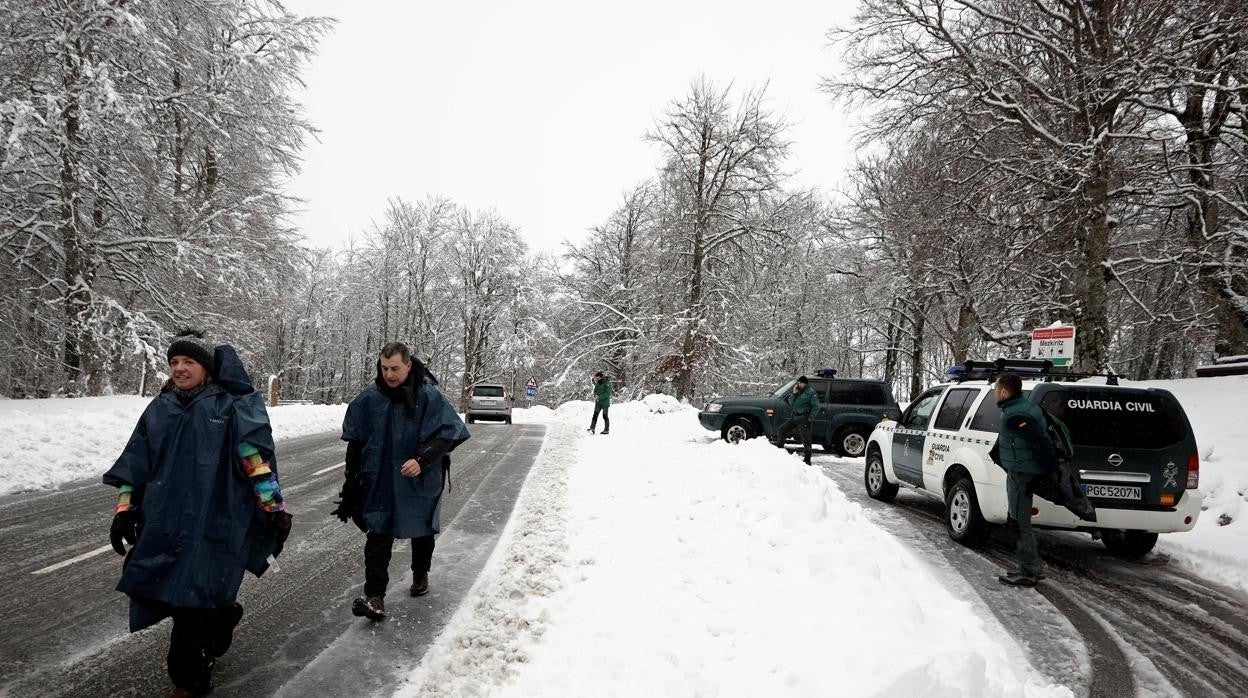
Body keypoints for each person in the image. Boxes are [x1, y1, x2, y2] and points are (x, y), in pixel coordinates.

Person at [104, 330, 292, 697]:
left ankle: (188, 681)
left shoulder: (232, 405)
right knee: (172, 595)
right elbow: (135, 464)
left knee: (193, 599)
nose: (179, 369)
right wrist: (124, 509)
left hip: (217, 521)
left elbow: (255, 461)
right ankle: (222, 618)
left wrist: (273, 508)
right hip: (164, 522)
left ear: (207, 368)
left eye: (189, 361)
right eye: (174, 362)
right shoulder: (160, 408)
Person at [332, 342, 469, 621]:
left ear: (408, 365)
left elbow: (449, 434)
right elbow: (355, 442)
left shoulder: (428, 396)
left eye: (395, 368)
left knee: (421, 529)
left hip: (419, 477)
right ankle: (375, 597)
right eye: (384, 368)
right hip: (380, 478)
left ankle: (420, 573)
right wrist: (351, 479)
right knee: (378, 534)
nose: (389, 374)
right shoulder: (370, 398)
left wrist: (422, 459)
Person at [992, 371, 1059, 588]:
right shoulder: (1023, 407)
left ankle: (1028, 571)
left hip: (1023, 475)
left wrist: (1046, 470)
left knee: (1020, 524)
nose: (994, 393)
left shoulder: (1017, 414)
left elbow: (1040, 443)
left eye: (995, 389)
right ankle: (1030, 567)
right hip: (1020, 472)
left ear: (1003, 391)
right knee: (1020, 522)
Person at [772, 375, 818, 465]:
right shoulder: (798, 392)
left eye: (800, 383)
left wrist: (810, 418)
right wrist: (794, 393)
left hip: (804, 418)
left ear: (804, 383)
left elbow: (816, 407)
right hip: (795, 417)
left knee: (806, 439)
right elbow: (791, 403)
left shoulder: (811, 393)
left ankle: (807, 459)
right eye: (798, 383)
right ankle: (779, 450)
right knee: (782, 429)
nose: (798, 384)